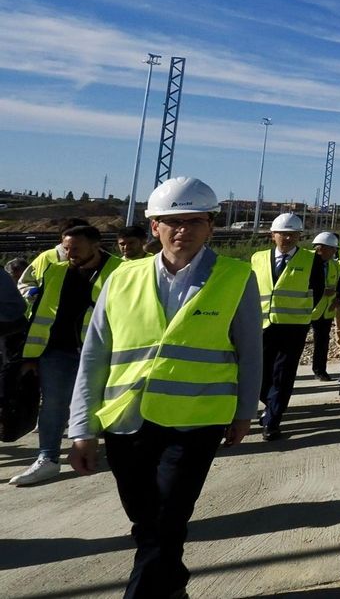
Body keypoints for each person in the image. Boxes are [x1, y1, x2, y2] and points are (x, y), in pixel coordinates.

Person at [66, 177, 263, 599]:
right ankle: (172, 585)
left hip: (197, 421)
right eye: (172, 221)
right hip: (126, 421)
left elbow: (250, 351)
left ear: (211, 226)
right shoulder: (122, 279)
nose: (183, 230)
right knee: (146, 521)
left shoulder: (235, 277)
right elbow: (95, 355)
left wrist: (245, 412)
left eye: (194, 221)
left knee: (168, 518)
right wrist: (82, 428)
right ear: (153, 226)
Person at [10, 223, 122, 486]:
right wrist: (31, 355)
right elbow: (41, 313)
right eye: (66, 248)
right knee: (53, 405)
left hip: (102, 352)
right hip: (57, 351)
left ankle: (105, 451)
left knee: (104, 403)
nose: (69, 254)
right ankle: (48, 458)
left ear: (96, 246)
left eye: (76, 249)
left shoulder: (121, 271)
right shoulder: (55, 270)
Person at [251, 212, 326, 441]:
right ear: (272, 235)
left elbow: (318, 289)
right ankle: (269, 405)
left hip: (293, 327)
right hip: (263, 324)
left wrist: (303, 312)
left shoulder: (311, 259)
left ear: (299, 236)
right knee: (261, 374)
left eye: (292, 235)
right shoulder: (257, 258)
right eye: (282, 234)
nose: (287, 239)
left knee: (283, 374)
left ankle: (272, 421)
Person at [309, 232, 340, 382]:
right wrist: (323, 291)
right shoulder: (307, 262)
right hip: (307, 309)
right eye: (332, 249)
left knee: (322, 342)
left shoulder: (334, 264)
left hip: (326, 310)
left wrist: (338, 299)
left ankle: (320, 370)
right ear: (320, 248)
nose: (335, 252)